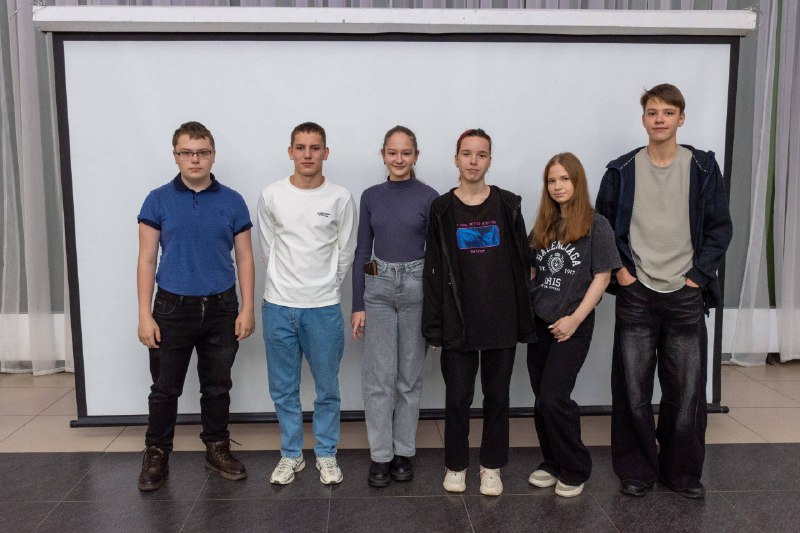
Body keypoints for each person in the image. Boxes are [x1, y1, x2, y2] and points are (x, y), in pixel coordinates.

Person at [596, 84, 732, 499]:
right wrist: (623, 275)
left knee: (686, 391)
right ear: (643, 119)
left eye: (668, 112)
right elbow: (603, 229)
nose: (660, 119)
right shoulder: (621, 170)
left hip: (686, 293)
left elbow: (719, 228)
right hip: (636, 292)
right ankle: (637, 470)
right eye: (653, 112)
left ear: (681, 118)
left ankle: (682, 472)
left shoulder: (703, 168)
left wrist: (697, 277)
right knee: (632, 390)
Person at [136, 121, 255, 491]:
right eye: (187, 153)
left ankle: (217, 447)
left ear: (213, 155)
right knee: (164, 388)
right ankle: (157, 452)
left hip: (222, 307)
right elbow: (146, 260)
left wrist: (247, 308)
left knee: (217, 385)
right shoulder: (157, 200)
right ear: (175, 156)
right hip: (172, 308)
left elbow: (245, 258)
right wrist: (144, 314)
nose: (195, 159)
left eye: (202, 152)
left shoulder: (232, 200)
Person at [422, 129, 536, 496]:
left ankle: (491, 466)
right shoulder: (441, 208)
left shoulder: (508, 204)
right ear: (456, 159)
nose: (473, 161)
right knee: (457, 398)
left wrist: (524, 317)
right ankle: (456, 464)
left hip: (501, 317)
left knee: (497, 397)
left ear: (489, 160)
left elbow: (522, 263)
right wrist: (434, 326)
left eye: (481, 154)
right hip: (458, 320)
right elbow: (433, 270)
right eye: (467, 154)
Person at [258, 122, 357, 486]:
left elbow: (345, 251)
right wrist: (286, 285)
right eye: (300, 147)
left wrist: (324, 287)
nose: (307, 154)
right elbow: (268, 248)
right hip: (278, 306)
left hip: (323, 308)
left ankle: (326, 453)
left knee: (327, 388)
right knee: (283, 389)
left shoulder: (340, 198)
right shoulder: (271, 195)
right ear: (290, 152)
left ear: (325, 153)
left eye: (315, 148)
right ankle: (291, 454)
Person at [526, 153, 620, 498]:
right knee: (542, 399)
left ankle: (576, 468)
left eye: (564, 179)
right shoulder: (544, 225)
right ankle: (552, 463)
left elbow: (602, 277)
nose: (558, 186)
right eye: (552, 180)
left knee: (554, 398)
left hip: (572, 324)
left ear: (577, 182)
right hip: (540, 325)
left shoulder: (597, 225)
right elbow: (532, 270)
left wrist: (575, 319)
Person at [351, 126, 439, 487]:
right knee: (378, 377)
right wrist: (358, 304)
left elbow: (437, 258)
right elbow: (362, 250)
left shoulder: (429, 197)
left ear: (416, 156)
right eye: (392, 152)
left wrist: (437, 313)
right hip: (379, 288)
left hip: (418, 286)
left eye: (405, 152)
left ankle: (403, 452)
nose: (399, 159)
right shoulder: (371, 196)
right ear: (383, 155)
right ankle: (380, 455)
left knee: (409, 377)